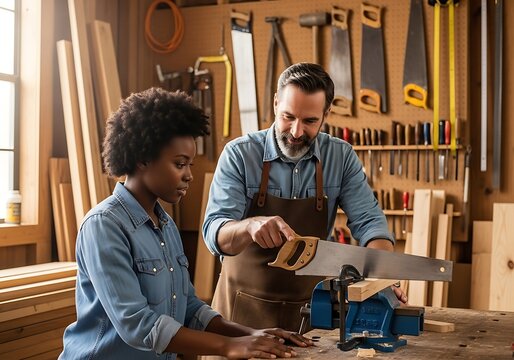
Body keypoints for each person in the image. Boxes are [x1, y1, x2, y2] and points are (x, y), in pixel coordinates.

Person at [59, 88, 313, 359]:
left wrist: (250, 334)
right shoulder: (104, 226)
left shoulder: (165, 224)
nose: (189, 176)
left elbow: (189, 307)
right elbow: (137, 325)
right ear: (142, 158)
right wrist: (228, 346)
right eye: (180, 164)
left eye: (190, 165)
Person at [202, 63, 407, 332]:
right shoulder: (239, 155)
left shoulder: (341, 157)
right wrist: (249, 226)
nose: (296, 132)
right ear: (276, 103)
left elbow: (370, 224)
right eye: (288, 117)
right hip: (240, 320)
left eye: (309, 121)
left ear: (326, 114)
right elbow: (214, 233)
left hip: (309, 316)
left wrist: (382, 275)